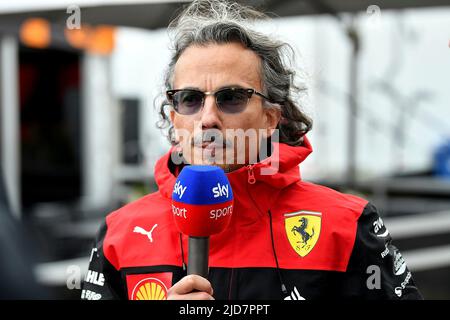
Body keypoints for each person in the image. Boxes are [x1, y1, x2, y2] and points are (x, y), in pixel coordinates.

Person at [81, 0, 422, 300]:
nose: (208, 119)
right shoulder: (120, 232)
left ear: (271, 118)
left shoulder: (346, 226)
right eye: (190, 99)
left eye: (231, 98)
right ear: (174, 118)